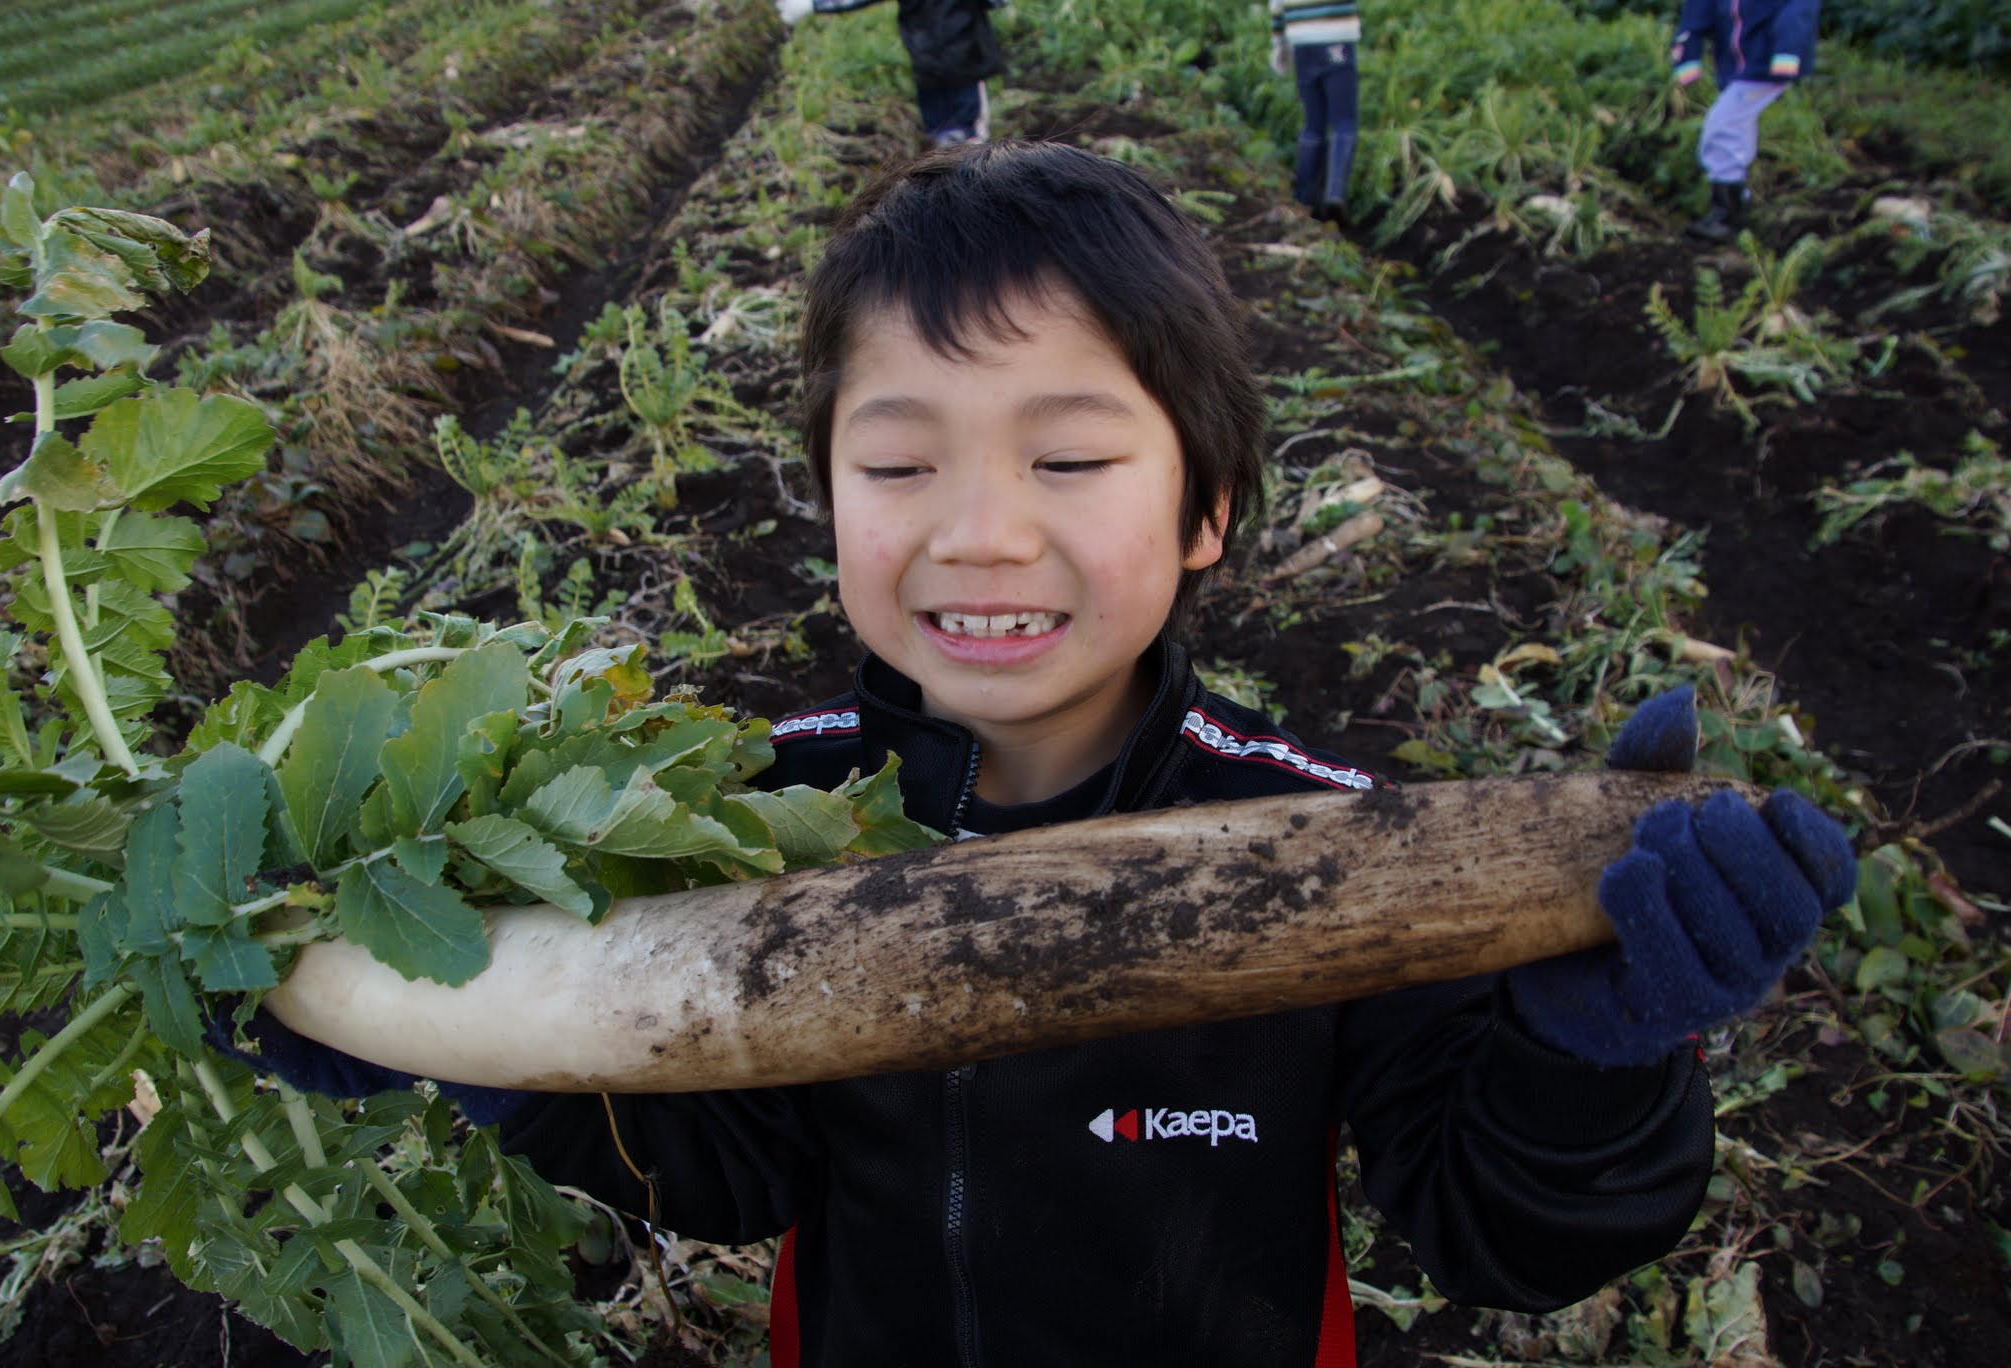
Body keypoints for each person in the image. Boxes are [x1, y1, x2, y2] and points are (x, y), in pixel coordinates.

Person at [255, 142, 1857, 1366]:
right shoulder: (749, 816)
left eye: (1072, 455)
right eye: (898, 461)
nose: (982, 532)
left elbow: (1513, 1241)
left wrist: (1592, 1056)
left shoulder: (1338, 848)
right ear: (827, 498)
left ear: (1207, 511)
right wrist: (468, 1039)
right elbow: (726, 1171)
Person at [1670, 0, 1822, 242]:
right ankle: (1735, 204)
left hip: (1765, 64)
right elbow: (1699, 11)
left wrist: (1787, 51)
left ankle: (1726, 214)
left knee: (1723, 125)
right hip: (1736, 67)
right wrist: (1687, 50)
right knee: (1736, 125)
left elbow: (1798, 10)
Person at [776, 0, 1005, 147]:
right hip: (929, 63)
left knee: (969, 140)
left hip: (962, 61)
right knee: (942, 140)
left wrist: (814, 5)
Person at [1269, 1, 1361, 224]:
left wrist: (1278, 42)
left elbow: (1276, 6)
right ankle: (1335, 195)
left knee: (1313, 123)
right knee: (1344, 122)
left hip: (1301, 41)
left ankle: (1304, 199)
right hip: (1335, 36)